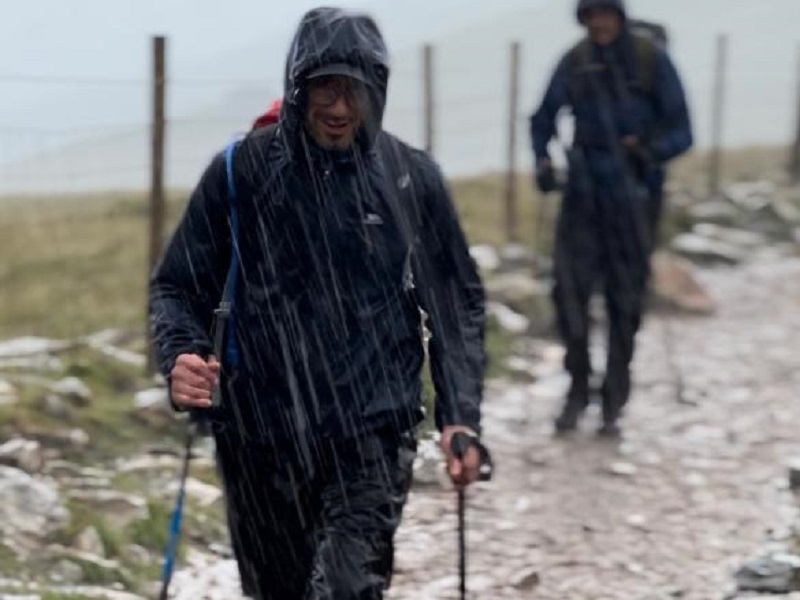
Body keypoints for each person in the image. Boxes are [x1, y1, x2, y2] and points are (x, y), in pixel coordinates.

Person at [149, 7, 488, 599]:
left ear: (376, 93)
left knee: (346, 590)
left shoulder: (410, 178)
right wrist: (180, 354)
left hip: (373, 430)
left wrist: (459, 414)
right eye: (324, 87)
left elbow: (455, 304)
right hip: (258, 434)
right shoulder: (242, 171)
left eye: (354, 89)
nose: (338, 107)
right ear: (297, 87)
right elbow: (177, 286)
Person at [530, 0, 692, 437]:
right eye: (591, 14)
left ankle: (613, 399)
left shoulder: (650, 60)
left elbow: (682, 132)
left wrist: (647, 152)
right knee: (569, 294)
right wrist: (542, 162)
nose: (599, 22)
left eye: (606, 13)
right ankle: (578, 386)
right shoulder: (576, 61)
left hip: (634, 200)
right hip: (582, 196)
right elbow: (542, 118)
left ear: (619, 15)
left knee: (625, 300)